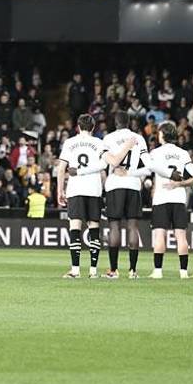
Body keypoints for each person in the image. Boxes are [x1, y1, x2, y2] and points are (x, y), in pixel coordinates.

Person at [56, 114, 134, 279]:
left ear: (78, 126)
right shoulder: (99, 143)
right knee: (94, 229)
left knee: (75, 228)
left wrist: (60, 190)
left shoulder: (69, 143)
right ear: (93, 127)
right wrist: (106, 188)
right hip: (94, 189)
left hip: (75, 188)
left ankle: (75, 270)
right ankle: (93, 271)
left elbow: (62, 168)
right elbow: (105, 166)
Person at [141, 121, 193, 279]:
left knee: (160, 235)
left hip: (161, 197)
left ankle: (158, 271)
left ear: (163, 135)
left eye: (159, 133)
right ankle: (184, 272)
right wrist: (180, 183)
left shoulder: (155, 153)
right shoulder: (183, 153)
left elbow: (148, 171)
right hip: (179, 197)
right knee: (181, 236)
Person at [100, 110, 149, 279]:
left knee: (114, 227)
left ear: (115, 123)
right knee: (132, 227)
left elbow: (107, 163)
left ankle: (113, 270)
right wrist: (135, 176)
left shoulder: (108, 139)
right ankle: (133, 271)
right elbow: (148, 165)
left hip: (115, 184)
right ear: (129, 123)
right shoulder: (139, 138)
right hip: (133, 184)